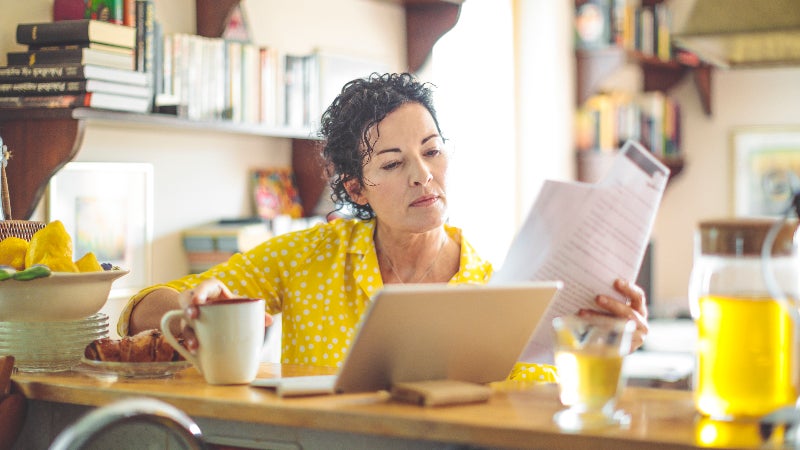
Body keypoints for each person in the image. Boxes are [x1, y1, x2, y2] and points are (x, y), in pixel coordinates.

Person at [118, 72, 648, 382]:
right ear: (356, 189)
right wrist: (190, 307)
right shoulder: (307, 258)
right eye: (393, 164)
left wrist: (608, 345)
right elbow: (141, 310)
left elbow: (542, 406)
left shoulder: (497, 286)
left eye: (433, 151)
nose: (424, 177)